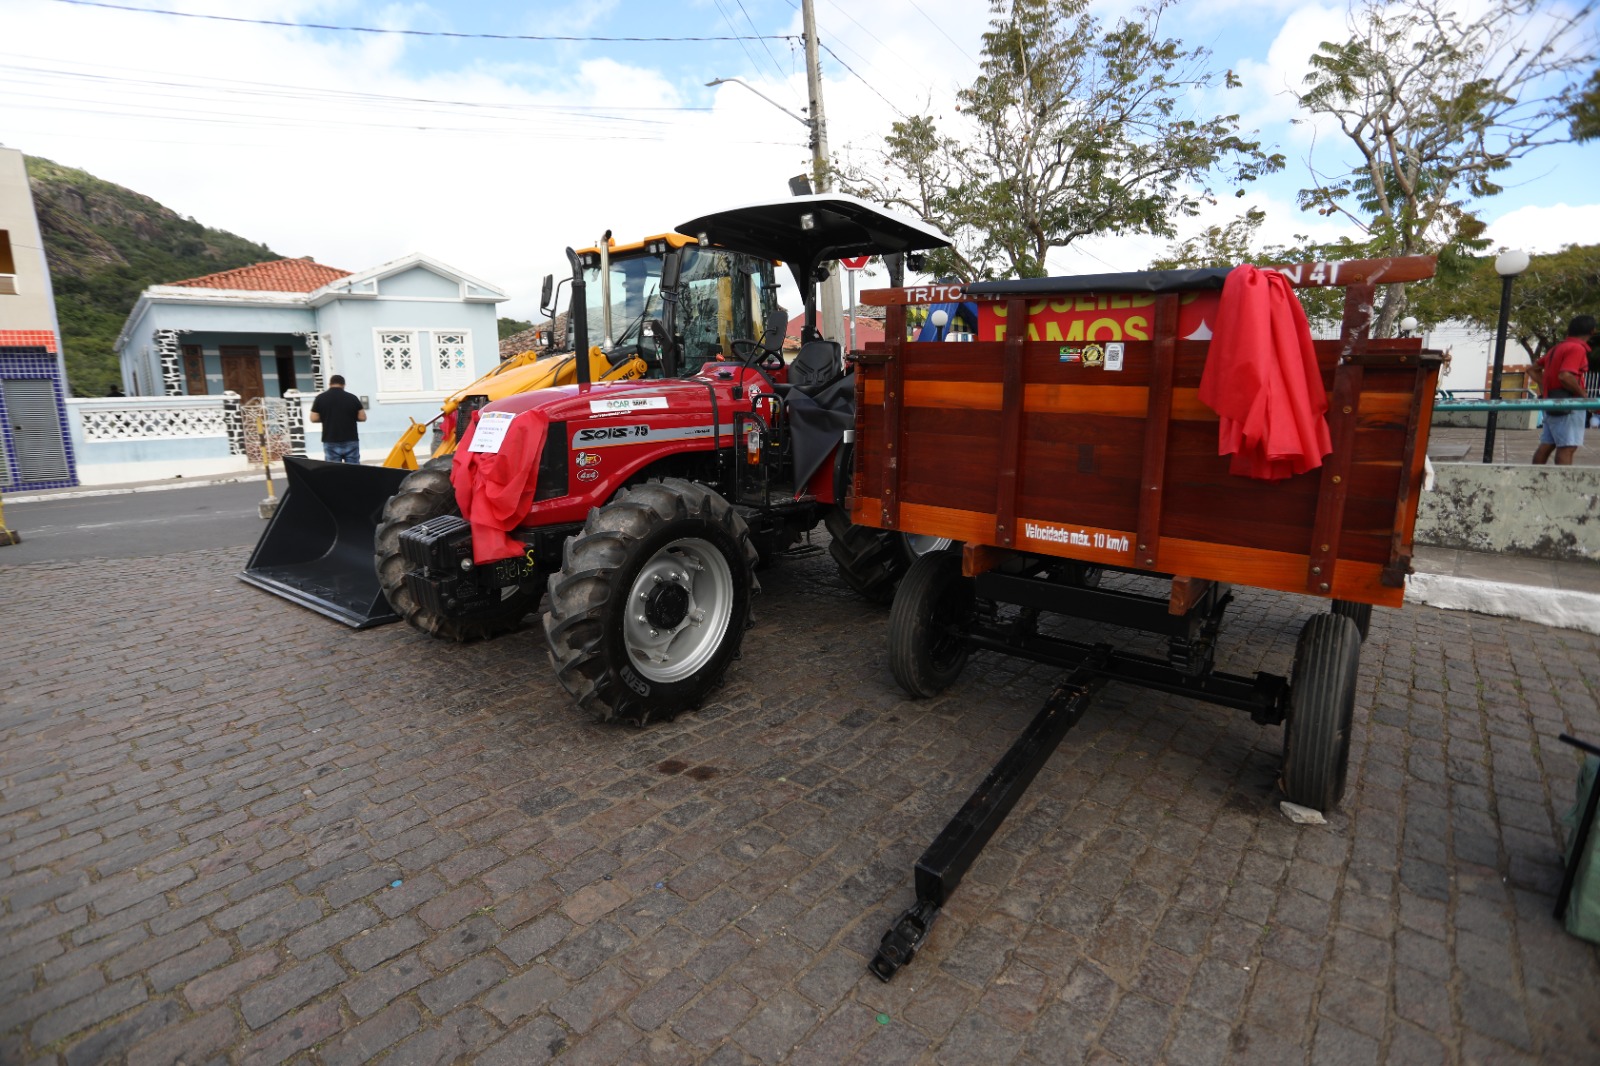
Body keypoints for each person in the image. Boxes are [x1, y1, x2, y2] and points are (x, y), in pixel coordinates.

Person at [1530, 314, 1595, 466]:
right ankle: (1562, 485)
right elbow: (1565, 376)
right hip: (1569, 403)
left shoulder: (1556, 348)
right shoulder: (1577, 348)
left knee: (1548, 443)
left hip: (1551, 401)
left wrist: (1545, 387)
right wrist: (1583, 395)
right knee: (1568, 446)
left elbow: (1533, 369)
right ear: (1592, 331)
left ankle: (1534, 481)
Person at [310, 374, 366, 463]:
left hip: (330, 439)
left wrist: (327, 417)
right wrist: (350, 416)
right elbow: (362, 417)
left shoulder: (320, 398)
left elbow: (313, 418)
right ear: (344, 384)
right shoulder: (352, 398)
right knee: (354, 471)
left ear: (330, 384)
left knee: (334, 472)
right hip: (351, 439)